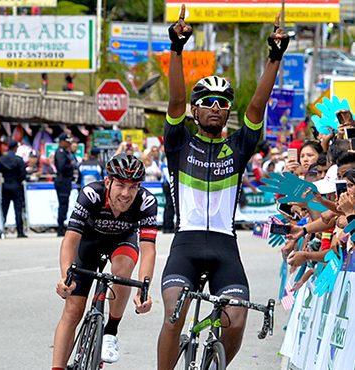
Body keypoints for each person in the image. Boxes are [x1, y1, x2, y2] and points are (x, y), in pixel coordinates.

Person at [157, 6, 289, 369]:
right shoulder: (178, 142)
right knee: (174, 314)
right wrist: (177, 50)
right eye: (208, 103)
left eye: (223, 103)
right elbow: (175, 101)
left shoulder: (239, 147)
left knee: (238, 320)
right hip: (185, 244)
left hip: (224, 248)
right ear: (195, 112)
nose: (216, 107)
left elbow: (258, 106)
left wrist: (274, 57)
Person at [52, 153, 157, 369]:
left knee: (122, 269)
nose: (126, 194)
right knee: (73, 311)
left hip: (122, 242)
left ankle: (110, 331)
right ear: (108, 181)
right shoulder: (91, 194)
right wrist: (66, 278)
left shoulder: (147, 202)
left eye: (133, 187)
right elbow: (70, 241)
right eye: (120, 185)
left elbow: (148, 250)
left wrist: (143, 290)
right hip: (89, 243)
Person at [0, 139, 27, 238]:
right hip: (16, 185)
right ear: (15, 148)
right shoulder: (19, 160)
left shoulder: (2, 159)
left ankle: (0, 230)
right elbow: (23, 174)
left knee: (4, 208)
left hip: (6, 185)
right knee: (18, 209)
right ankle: (20, 231)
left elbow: (0, 170)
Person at [54, 133, 74, 237]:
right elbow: (62, 167)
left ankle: (62, 224)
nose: (68, 144)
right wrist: (71, 165)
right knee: (63, 203)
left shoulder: (65, 152)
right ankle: (60, 226)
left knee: (65, 203)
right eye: (67, 142)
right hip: (62, 179)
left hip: (66, 180)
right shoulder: (60, 152)